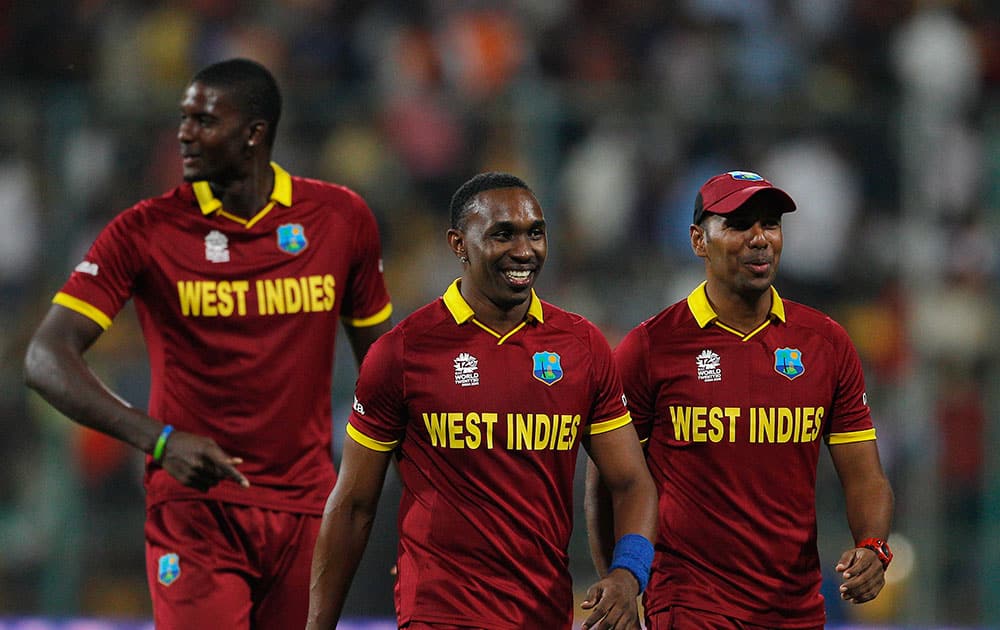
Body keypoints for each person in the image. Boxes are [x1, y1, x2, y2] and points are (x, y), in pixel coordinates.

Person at [23, 58, 393, 628]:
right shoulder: (146, 230)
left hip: (307, 511)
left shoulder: (339, 219)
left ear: (254, 134)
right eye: (183, 118)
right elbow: (45, 356)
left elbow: (387, 370)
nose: (184, 133)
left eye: (204, 120)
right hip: (195, 511)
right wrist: (159, 440)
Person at [306, 171, 657, 630]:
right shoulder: (403, 353)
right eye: (502, 234)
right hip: (438, 612)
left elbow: (631, 482)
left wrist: (629, 574)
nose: (525, 250)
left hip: (543, 612)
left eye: (535, 232)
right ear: (458, 244)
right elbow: (353, 504)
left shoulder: (581, 346)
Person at [586, 170, 895, 629]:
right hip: (690, 604)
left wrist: (873, 545)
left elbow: (865, 476)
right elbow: (609, 483)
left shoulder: (824, 344)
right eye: (737, 224)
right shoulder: (650, 347)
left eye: (770, 224)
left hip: (795, 609)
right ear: (698, 240)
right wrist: (622, 583)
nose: (759, 238)